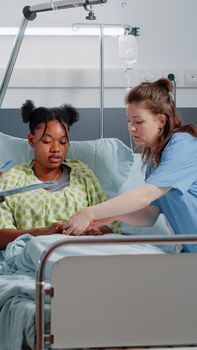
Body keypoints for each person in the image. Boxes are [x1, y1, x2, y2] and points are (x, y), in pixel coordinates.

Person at [64, 78, 197, 253]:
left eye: (138, 122)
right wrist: (111, 215)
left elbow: (144, 197)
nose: (131, 128)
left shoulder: (183, 146)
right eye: (129, 121)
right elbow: (149, 215)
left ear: (161, 121)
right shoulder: (156, 162)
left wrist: (91, 212)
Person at [0, 100, 115, 250]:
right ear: (31, 140)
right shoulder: (12, 181)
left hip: (82, 253)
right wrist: (40, 233)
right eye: (47, 141)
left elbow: (110, 225)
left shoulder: (83, 174)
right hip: (33, 256)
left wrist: (85, 232)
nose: (56, 149)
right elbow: (1, 236)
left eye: (63, 142)